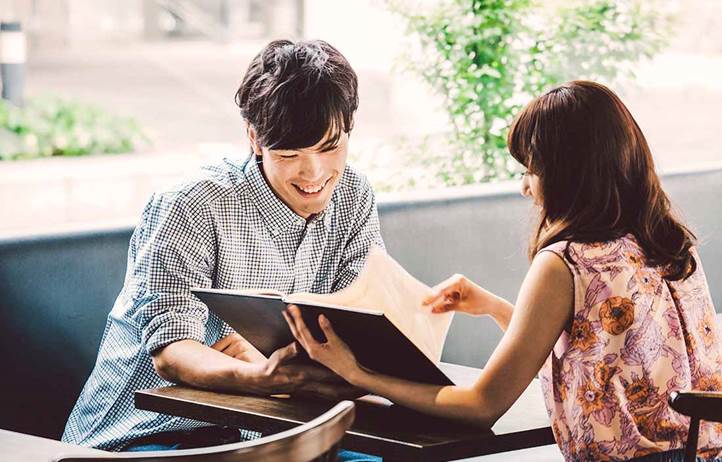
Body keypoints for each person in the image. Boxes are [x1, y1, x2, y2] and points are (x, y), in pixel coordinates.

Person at [285, 80, 722, 461]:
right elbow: (598, 359)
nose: (525, 187)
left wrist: (357, 373)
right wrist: (494, 307)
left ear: (568, 174)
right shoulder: (669, 245)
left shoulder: (565, 262)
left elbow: (481, 404)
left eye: (532, 170)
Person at [62, 39, 383, 461]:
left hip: (280, 429)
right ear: (254, 137)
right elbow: (174, 353)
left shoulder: (354, 196)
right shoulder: (192, 204)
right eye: (290, 154)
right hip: (145, 437)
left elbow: (361, 330)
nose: (315, 173)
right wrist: (259, 376)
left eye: (330, 147)